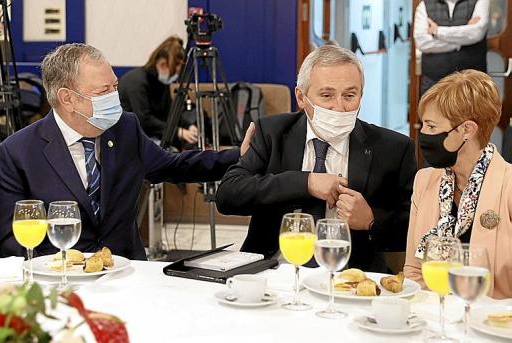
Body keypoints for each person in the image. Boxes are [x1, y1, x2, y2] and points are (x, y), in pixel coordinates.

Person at [0, 43, 253, 260]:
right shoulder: (19, 152)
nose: (113, 97)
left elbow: (174, 166)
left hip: (127, 273)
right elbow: (9, 244)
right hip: (61, 282)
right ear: (67, 98)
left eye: (114, 86)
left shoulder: (125, 128)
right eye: (103, 91)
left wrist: (237, 155)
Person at [216, 44, 417, 272]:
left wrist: (371, 221)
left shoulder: (392, 148)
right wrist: (306, 183)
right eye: (327, 95)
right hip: (276, 270)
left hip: (350, 276)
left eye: (350, 95)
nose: (339, 107)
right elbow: (228, 196)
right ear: (301, 98)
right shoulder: (272, 132)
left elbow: (416, 227)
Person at [404, 70, 512, 299]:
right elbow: (413, 271)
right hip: (434, 320)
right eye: (423, 125)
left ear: (467, 130)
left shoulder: (508, 185)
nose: (422, 134)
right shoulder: (424, 180)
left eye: (431, 127)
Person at [118, 36, 199, 146]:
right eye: (174, 72)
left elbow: (169, 113)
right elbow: (144, 120)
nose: (175, 77)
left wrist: (188, 126)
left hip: (148, 138)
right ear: (163, 64)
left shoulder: (161, 82)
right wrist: (178, 132)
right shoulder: (137, 83)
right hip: (129, 140)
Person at [413, 0, 489, 95]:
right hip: (434, 82)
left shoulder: (479, 1)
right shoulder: (424, 5)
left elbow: (476, 33)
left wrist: (437, 32)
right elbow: (422, 42)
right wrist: (460, 41)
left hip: (472, 82)